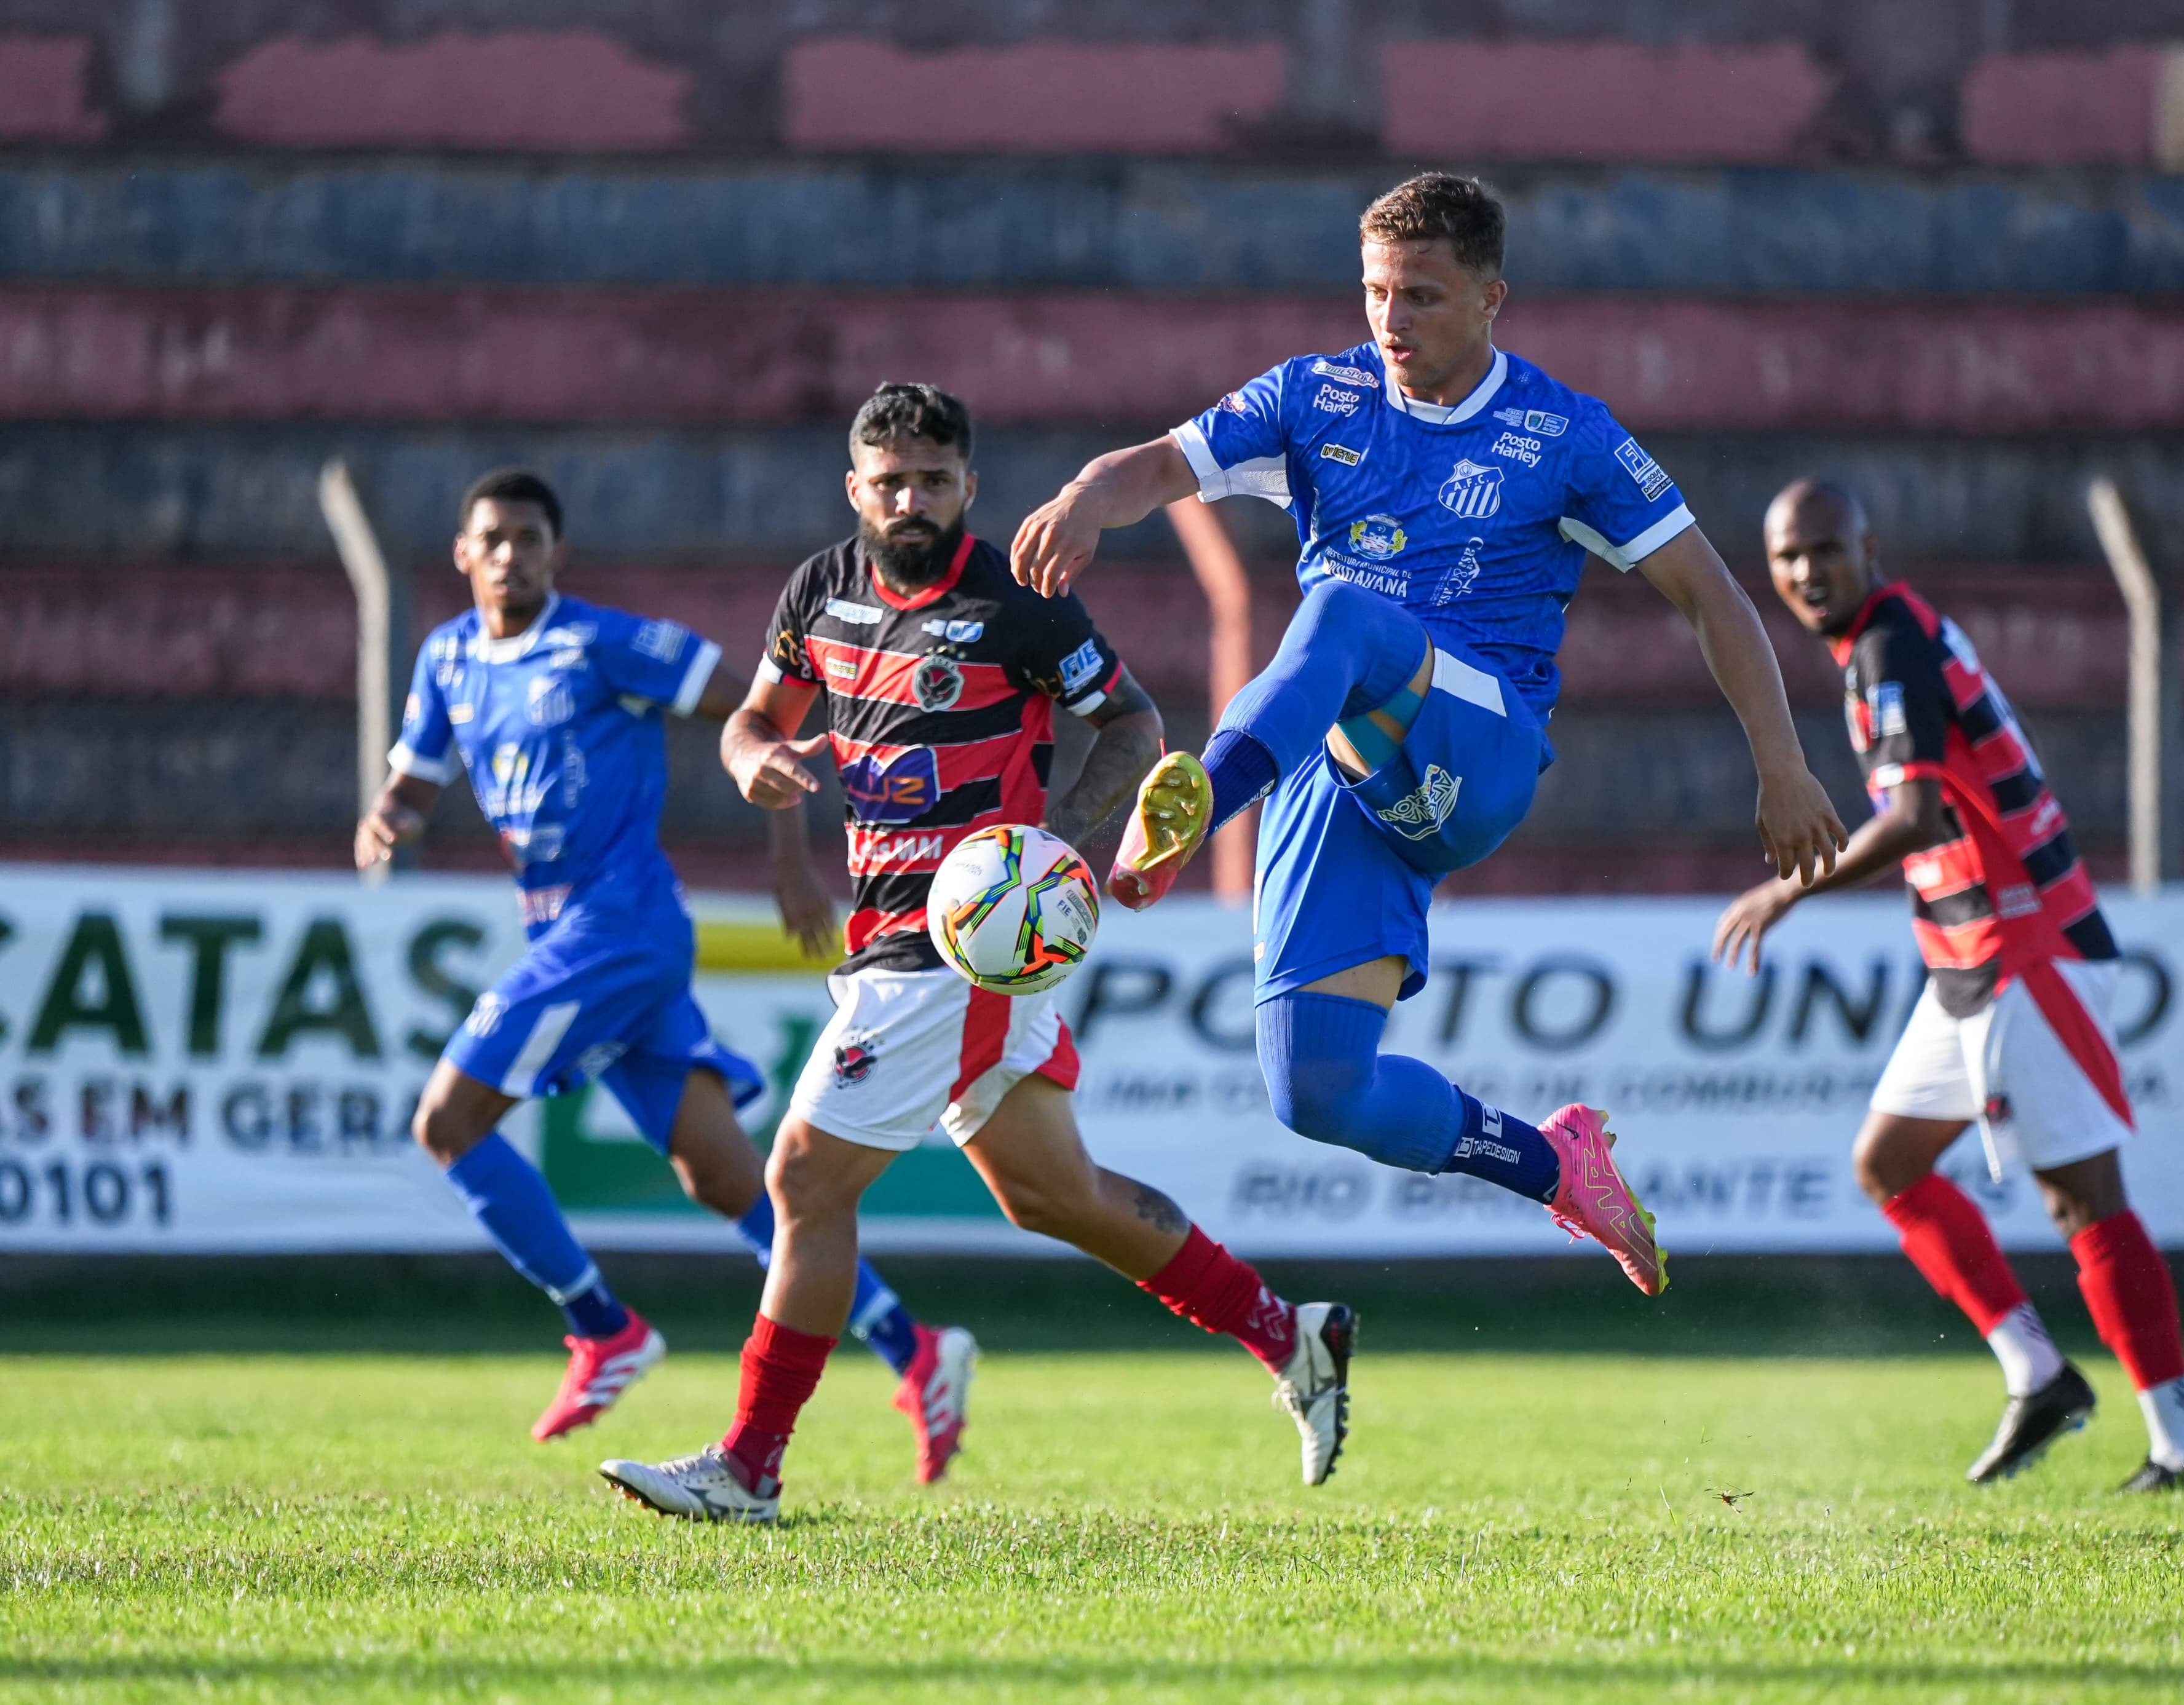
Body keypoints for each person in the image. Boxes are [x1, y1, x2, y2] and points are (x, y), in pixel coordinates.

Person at [1007, 174, 1848, 1296]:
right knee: (1317, 1089)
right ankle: (1557, 1165)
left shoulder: (1567, 435)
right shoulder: (1318, 397)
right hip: (1343, 766)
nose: (1391, 323)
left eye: (1423, 298)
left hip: (1480, 747)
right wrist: (1080, 497)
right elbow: (1159, 465)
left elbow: (1710, 594)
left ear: (1493, 298)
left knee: (1345, 611)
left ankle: (1202, 796)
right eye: (1375, 293)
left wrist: (1782, 765)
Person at [598, 384, 1356, 1525]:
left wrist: (1054, 855)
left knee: (801, 1177)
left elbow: (1136, 725)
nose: (912, 500)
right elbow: (754, 717)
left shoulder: (1021, 604)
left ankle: (749, 1466)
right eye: (889, 481)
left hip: (953, 954)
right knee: (1055, 1196)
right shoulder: (820, 591)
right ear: (855, 487)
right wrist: (752, 755)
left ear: (970, 485)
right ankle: (1287, 1332)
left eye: (934, 480)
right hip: (888, 940)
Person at [357, 468, 975, 1480]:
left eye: (529, 536)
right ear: (464, 554)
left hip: (621, 924)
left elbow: (759, 714)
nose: (511, 552)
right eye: (493, 537)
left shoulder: (603, 643)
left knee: (447, 1122)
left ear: (558, 554)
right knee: (725, 1177)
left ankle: (602, 1326)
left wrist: (790, 859)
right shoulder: (447, 657)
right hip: (571, 931)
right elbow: (416, 777)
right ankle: (917, 1347)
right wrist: (390, 814)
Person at [1712, 477, 2184, 1492]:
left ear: (1870, 545)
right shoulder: (1879, 641)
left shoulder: (1889, 643)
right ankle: (2039, 1374)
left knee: (2082, 1199)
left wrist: (1791, 888)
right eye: (1788, 556)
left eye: (1826, 547)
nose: (1808, 569)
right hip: (1968, 955)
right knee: (1890, 1165)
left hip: (2027, 946)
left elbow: (1914, 817)